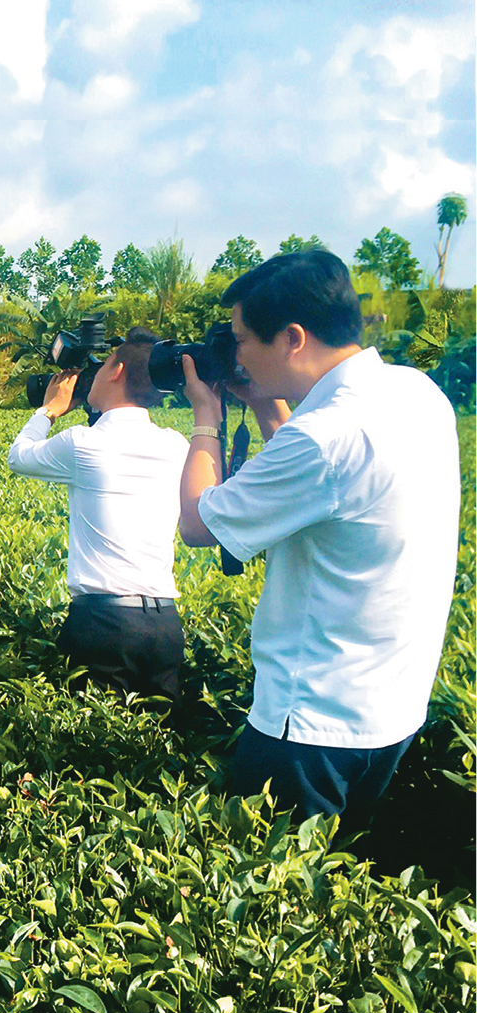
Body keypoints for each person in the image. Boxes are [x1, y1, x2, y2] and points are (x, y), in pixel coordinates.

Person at [178, 250, 459, 828]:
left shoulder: (322, 438)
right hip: (390, 714)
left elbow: (199, 524)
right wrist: (263, 404)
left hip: (307, 731)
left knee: (265, 901)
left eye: (240, 339)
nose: (235, 354)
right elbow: (320, 483)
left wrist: (204, 415)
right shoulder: (418, 394)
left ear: (292, 339)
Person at [7, 329, 191, 709]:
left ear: (116, 371)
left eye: (104, 363)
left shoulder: (82, 442)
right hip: (166, 626)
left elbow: (19, 456)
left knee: (91, 752)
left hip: (104, 624)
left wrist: (49, 410)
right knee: (155, 752)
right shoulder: (176, 444)